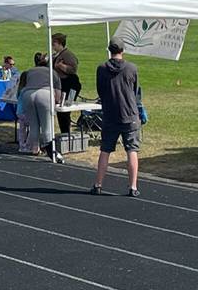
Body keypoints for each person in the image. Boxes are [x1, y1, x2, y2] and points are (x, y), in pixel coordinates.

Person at [90, 38, 147, 196]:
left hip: (110, 114)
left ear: (109, 50)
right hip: (129, 114)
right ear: (123, 50)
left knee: (105, 150)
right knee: (132, 150)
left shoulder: (102, 68)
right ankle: (133, 187)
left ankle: (98, 184)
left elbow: (100, 90)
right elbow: (135, 90)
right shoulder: (131, 68)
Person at [19, 53, 62, 160]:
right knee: (47, 125)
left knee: (33, 125)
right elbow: (58, 94)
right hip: (45, 94)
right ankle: (51, 151)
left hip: (28, 95)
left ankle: (35, 148)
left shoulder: (30, 71)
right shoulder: (53, 72)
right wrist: (56, 101)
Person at [52, 33, 81, 135]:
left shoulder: (68, 55)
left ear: (60, 43)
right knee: (61, 110)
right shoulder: (57, 55)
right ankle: (64, 133)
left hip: (70, 85)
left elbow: (73, 69)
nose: (52, 46)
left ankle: (66, 133)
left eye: (54, 43)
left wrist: (61, 66)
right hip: (62, 84)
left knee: (64, 110)